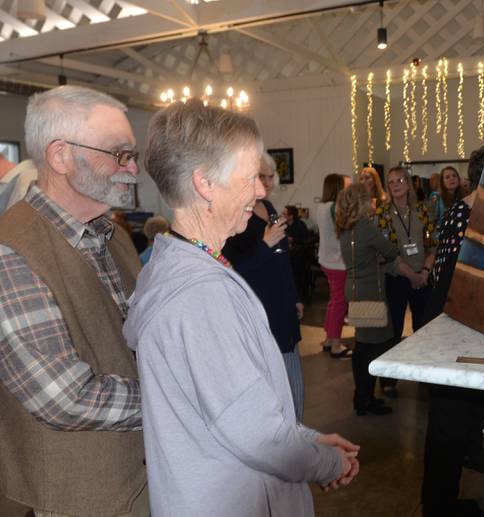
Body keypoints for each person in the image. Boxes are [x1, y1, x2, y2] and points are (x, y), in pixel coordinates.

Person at [125, 99, 359, 516]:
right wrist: (327, 462)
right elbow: (258, 437)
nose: (261, 190)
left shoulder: (178, 265)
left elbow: (241, 407)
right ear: (205, 184)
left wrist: (307, 441)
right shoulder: (199, 296)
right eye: (250, 177)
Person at [0, 85, 146, 516]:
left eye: (131, 154)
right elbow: (63, 397)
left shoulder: (114, 236)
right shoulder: (12, 251)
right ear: (60, 156)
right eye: (118, 153)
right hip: (77, 496)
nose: (133, 168)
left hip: (139, 474)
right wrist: (177, 395)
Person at [421, 146, 484, 517]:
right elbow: (454, 285)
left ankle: (445, 502)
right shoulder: (466, 215)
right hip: (450, 333)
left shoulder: (470, 212)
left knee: (456, 427)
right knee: (447, 430)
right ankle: (439, 508)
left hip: (458, 331)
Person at [222, 153, 308, 420]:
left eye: (271, 176)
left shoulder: (269, 207)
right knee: (270, 387)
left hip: (282, 304)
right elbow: (233, 271)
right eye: (262, 176)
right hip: (259, 308)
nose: (268, 182)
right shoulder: (236, 215)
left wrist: (294, 296)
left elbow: (282, 261)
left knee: (293, 381)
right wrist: (264, 244)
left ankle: (294, 437)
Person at [337, 183, 426, 416]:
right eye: (369, 199)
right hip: (369, 292)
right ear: (361, 203)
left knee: (364, 345)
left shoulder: (347, 227)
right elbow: (389, 250)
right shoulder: (366, 226)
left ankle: (363, 397)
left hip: (356, 289)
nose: (372, 202)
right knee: (371, 347)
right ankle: (365, 399)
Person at [375, 166, 436, 397]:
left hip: (423, 274)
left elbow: (433, 243)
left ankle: (423, 375)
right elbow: (388, 253)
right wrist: (411, 276)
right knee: (394, 329)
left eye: (400, 180)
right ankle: (389, 378)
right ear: (388, 187)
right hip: (398, 277)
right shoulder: (382, 214)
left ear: (409, 183)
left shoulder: (422, 210)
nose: (396, 184)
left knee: (423, 328)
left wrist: (425, 271)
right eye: (391, 182)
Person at [317, 173, 352, 358]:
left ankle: (329, 339)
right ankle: (336, 344)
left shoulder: (322, 206)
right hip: (337, 262)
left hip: (326, 260)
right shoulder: (335, 208)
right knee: (339, 303)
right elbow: (345, 230)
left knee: (333, 301)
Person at [283, 204, 315, 304]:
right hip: (290, 254)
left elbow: (305, 240)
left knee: (296, 271)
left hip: (301, 255)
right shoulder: (285, 226)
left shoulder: (300, 225)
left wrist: (292, 239)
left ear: (291, 216)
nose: (282, 215)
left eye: (284, 214)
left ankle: (299, 297)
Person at [432, 166, 466, 231]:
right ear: (442, 182)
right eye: (447, 177)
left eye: (454, 176)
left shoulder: (465, 196)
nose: (452, 179)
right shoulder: (437, 198)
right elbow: (432, 222)